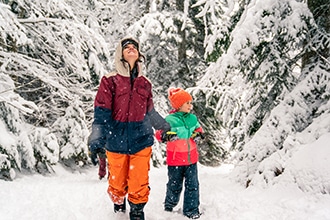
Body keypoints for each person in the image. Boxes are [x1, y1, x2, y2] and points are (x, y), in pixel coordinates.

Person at [88, 36, 171, 220]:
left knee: (139, 181)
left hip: (141, 139)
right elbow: (101, 112)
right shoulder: (109, 81)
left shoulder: (145, 83)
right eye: (127, 47)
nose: (131, 48)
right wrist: (97, 138)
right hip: (115, 139)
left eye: (134, 46)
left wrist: (164, 127)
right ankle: (119, 205)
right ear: (120, 53)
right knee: (117, 184)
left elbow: (150, 112)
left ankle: (137, 212)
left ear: (139, 53)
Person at [156, 87, 205, 219]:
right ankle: (169, 204)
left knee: (193, 186)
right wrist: (166, 135)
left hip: (191, 159)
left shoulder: (193, 119)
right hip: (175, 159)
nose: (191, 105)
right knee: (174, 185)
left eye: (191, 102)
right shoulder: (170, 120)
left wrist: (198, 135)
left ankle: (191, 210)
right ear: (179, 105)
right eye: (187, 103)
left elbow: (199, 130)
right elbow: (159, 134)